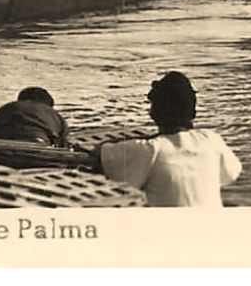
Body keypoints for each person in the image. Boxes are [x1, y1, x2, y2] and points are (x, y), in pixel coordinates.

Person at [99, 72, 241, 206]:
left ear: (154, 112)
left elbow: (103, 155)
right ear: (193, 111)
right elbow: (230, 175)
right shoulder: (211, 140)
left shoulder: (149, 150)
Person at [0, 86, 70, 147]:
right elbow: (62, 144)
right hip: (37, 143)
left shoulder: (6, 108)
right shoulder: (55, 115)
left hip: (2, 143)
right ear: (48, 104)